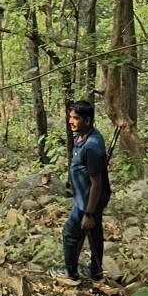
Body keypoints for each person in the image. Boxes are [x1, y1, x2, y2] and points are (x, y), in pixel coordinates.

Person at [49, 100, 111, 285]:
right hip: (83, 197)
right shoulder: (81, 137)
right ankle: (96, 272)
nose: (71, 121)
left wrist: (89, 213)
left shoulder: (92, 146)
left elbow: (96, 184)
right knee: (93, 233)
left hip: (88, 201)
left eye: (75, 118)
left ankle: (71, 274)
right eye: (70, 117)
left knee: (70, 233)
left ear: (87, 120)